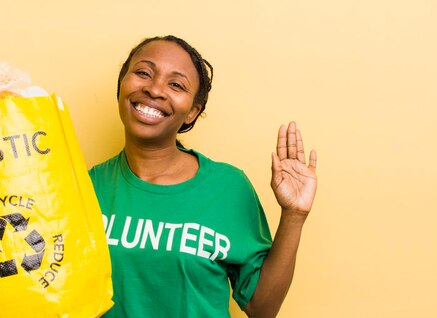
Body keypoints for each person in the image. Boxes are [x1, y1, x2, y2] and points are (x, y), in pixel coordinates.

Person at [87, 35, 318, 318]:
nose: (155, 89)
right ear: (122, 86)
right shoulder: (86, 187)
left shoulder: (228, 187)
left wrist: (294, 216)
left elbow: (262, 308)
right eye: (143, 73)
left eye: (176, 84)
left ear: (192, 111)